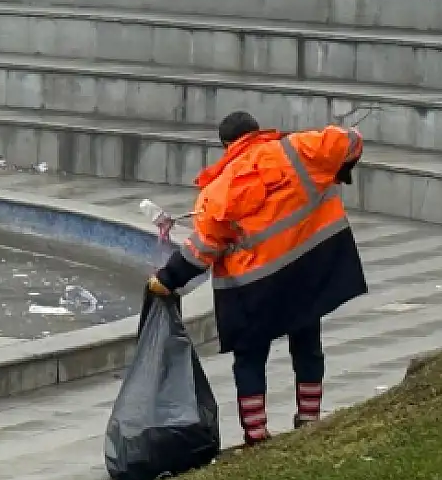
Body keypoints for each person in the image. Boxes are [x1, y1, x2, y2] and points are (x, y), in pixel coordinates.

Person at [148, 112, 368, 446]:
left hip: (254, 286)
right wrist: (340, 169)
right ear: (257, 131)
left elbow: (202, 250)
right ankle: (309, 418)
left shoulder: (218, 190)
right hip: (309, 268)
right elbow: (352, 140)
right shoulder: (300, 148)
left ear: (226, 145)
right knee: (307, 345)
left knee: (249, 356)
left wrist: (167, 279)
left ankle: (256, 432)